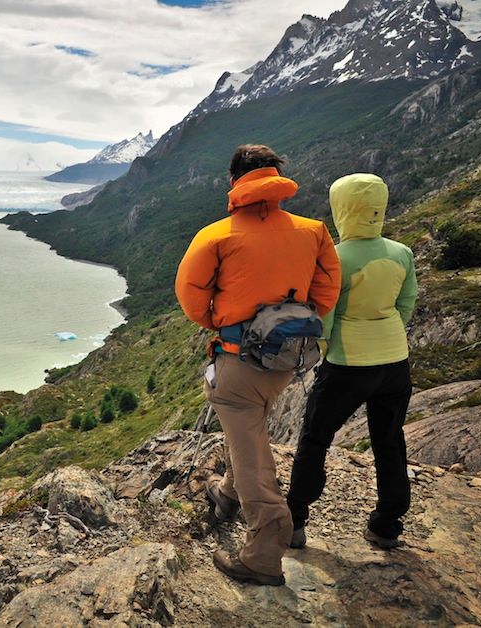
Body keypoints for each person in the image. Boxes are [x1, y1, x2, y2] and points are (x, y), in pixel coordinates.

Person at [175, 144, 341, 586]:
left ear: (234, 183)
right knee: (247, 426)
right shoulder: (314, 231)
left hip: (238, 361)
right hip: (286, 358)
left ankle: (264, 553)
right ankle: (228, 494)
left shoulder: (216, 235)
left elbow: (192, 299)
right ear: (277, 179)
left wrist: (224, 322)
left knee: (251, 452)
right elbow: (326, 293)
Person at [286, 173, 417, 551]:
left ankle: (294, 520)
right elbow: (405, 303)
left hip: (347, 362)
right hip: (394, 362)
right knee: (389, 441)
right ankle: (387, 525)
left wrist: (328, 348)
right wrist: (386, 332)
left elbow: (324, 315)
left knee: (315, 438)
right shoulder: (401, 253)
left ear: (341, 208)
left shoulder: (335, 257)